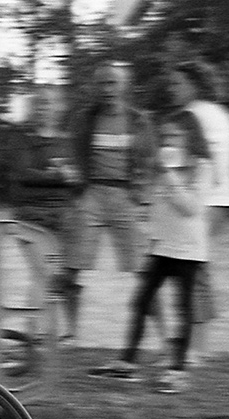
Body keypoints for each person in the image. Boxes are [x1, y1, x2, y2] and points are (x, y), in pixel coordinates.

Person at [90, 111, 211, 392]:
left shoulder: (201, 166)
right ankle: (127, 362)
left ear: (191, 137)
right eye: (166, 136)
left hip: (189, 250)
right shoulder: (164, 164)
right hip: (161, 246)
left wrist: (167, 175)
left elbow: (191, 208)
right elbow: (153, 203)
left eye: (175, 136)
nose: (169, 141)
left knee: (183, 308)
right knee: (140, 301)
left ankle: (177, 371)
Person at [57, 62, 158, 343]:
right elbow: (72, 153)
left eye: (113, 83)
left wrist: (143, 197)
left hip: (126, 196)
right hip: (92, 194)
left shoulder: (138, 120)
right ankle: (72, 332)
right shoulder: (85, 119)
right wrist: (75, 188)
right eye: (102, 84)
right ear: (95, 87)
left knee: (144, 270)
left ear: (124, 86)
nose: (108, 89)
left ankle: (163, 338)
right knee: (70, 267)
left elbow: (150, 161)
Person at [170, 60, 229, 361]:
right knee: (195, 269)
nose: (171, 89)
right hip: (223, 201)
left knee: (190, 270)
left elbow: (185, 162)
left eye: (177, 83)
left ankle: (195, 347)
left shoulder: (189, 116)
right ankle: (198, 343)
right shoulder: (224, 115)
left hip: (200, 201)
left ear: (193, 84)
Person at [8, 83, 76, 342]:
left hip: (62, 217)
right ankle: (37, 334)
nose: (45, 108)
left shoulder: (66, 140)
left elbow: (76, 176)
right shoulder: (22, 137)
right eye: (41, 103)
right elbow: (23, 174)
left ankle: (37, 333)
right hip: (31, 218)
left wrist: (70, 176)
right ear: (33, 107)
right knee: (44, 275)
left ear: (60, 107)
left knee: (52, 278)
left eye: (51, 103)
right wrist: (59, 175)